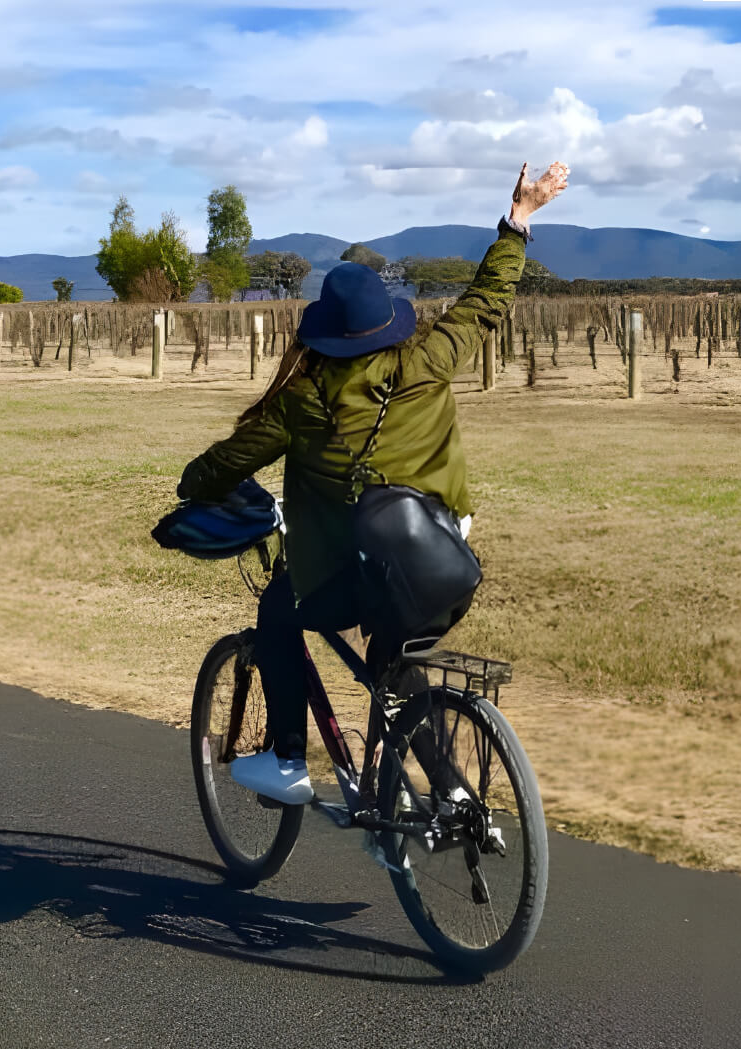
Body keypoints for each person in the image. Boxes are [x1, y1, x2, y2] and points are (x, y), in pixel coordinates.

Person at [174, 160, 570, 805]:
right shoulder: (430, 359)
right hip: (446, 560)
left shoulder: (301, 399)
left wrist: (193, 485)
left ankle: (285, 761)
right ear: (390, 322)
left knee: (279, 608)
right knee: (398, 657)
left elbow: (225, 463)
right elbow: (487, 301)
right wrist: (519, 218)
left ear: (325, 336)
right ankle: (454, 796)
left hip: (355, 572)